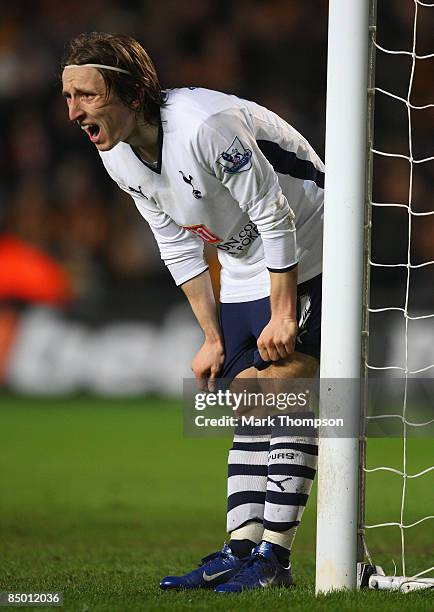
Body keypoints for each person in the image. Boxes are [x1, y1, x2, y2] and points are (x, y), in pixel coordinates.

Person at [61, 32, 324, 593]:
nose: (73, 110)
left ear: (131, 94)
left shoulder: (204, 127)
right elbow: (176, 242)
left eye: (85, 94)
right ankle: (241, 550)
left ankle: (273, 561)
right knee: (247, 400)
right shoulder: (117, 156)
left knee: (286, 390)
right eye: (68, 96)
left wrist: (283, 312)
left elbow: (274, 213)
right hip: (244, 254)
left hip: (313, 236)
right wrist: (211, 335)